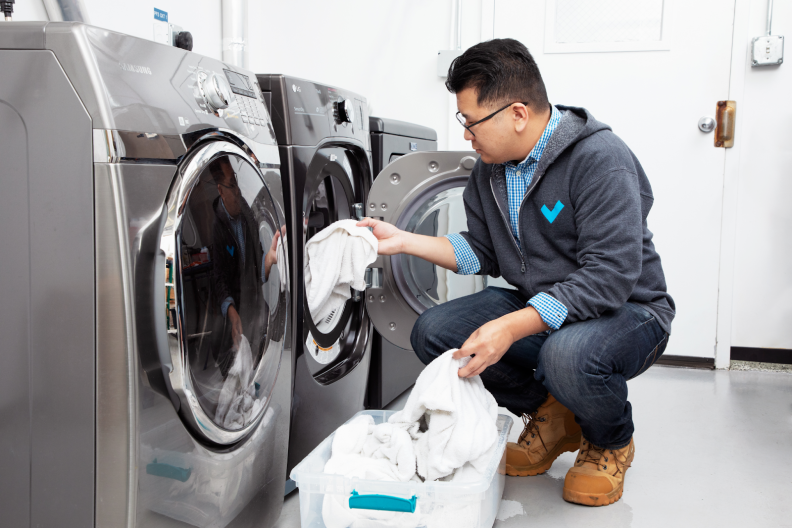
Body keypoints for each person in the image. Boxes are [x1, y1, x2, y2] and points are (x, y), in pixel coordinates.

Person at [357, 39, 674, 507]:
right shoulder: (490, 171)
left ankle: (609, 441)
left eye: (471, 121)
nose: (466, 134)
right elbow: (480, 251)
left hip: (629, 310)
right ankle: (553, 414)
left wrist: (510, 325)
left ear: (518, 114)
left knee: (566, 356)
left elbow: (609, 276)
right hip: (547, 304)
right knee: (434, 332)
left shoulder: (600, 159)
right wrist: (402, 240)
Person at [209, 156, 280, 376]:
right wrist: (231, 313)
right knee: (235, 378)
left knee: (259, 374)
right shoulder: (216, 228)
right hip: (231, 316)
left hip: (255, 307)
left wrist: (267, 260)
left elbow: (256, 269)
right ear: (221, 190)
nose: (238, 191)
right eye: (232, 185)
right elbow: (218, 277)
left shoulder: (247, 215)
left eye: (237, 182)